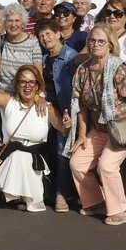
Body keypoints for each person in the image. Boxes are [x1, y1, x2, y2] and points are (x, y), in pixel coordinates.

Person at [66, 24, 126, 225]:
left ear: (110, 44)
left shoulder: (119, 67)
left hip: (121, 128)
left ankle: (122, 210)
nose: (95, 45)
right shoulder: (83, 69)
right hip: (98, 129)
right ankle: (96, 201)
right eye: (92, 41)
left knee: (106, 166)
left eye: (101, 41)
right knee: (77, 163)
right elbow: (81, 106)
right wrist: (81, 135)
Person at [0, 63, 66, 212]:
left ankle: (24, 195)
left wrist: (67, 123)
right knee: (18, 155)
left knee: (23, 156)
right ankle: (19, 194)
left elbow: (63, 128)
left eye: (31, 82)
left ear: (37, 86)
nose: (27, 86)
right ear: (17, 85)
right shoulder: (9, 102)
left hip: (36, 162)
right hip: (10, 159)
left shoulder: (46, 107)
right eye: (22, 82)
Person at [35, 18, 79, 212]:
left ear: (58, 33)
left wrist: (71, 112)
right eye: (41, 35)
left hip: (66, 110)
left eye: (49, 34)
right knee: (49, 150)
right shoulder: (43, 58)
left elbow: (77, 88)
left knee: (63, 152)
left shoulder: (70, 57)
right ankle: (53, 190)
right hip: (47, 110)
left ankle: (62, 194)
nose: (45, 38)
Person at [0, 3, 43, 100]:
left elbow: (38, 74)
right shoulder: (0, 41)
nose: (13, 25)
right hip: (5, 98)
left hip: (26, 97)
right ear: (4, 23)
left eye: (17, 21)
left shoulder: (33, 42)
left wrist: (40, 97)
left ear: (23, 23)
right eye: (9, 21)